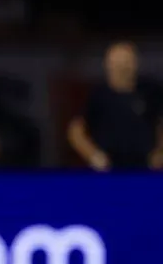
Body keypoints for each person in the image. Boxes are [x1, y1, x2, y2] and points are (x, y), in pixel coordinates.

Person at [67, 41, 163, 171]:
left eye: (127, 62)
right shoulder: (98, 96)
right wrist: (93, 155)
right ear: (108, 66)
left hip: (145, 169)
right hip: (110, 170)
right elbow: (76, 130)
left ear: (136, 64)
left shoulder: (151, 91)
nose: (122, 68)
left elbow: (160, 123)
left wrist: (159, 152)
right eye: (117, 64)